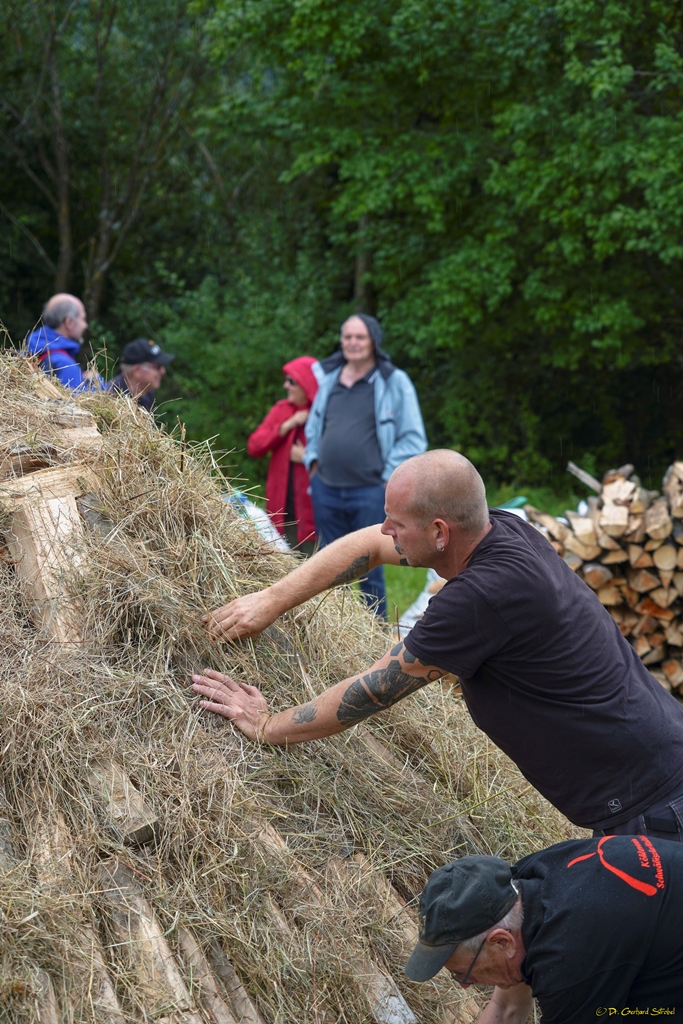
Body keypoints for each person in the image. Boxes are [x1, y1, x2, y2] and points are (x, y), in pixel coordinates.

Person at [191, 449, 683, 839]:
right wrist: (272, 600)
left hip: (650, 803)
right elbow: (370, 546)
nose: (385, 530)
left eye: (397, 523)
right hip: (654, 764)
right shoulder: (502, 529)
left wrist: (267, 725)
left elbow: (372, 691)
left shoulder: (481, 598)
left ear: (440, 532)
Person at [404, 838, 683, 1021]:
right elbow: (506, 1010)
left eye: (462, 973)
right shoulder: (525, 883)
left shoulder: (568, 962)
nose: (465, 985)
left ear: (501, 942)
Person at [304, 313, 426, 617]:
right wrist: (314, 465)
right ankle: (331, 636)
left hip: (371, 491)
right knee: (328, 568)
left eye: (360, 337)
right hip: (326, 489)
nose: (352, 343)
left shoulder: (392, 381)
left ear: (373, 341)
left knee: (370, 566)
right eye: (347, 337)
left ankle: (372, 640)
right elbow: (313, 427)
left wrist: (388, 479)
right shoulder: (329, 379)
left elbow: (413, 437)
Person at [247, 356, 319, 554]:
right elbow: (254, 446)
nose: (285, 385)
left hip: (316, 514)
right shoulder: (282, 410)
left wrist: (307, 457)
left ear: (307, 384)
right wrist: (286, 426)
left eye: (292, 381)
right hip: (284, 512)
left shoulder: (323, 413)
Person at [25, 293, 103, 389]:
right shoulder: (65, 366)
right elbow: (81, 402)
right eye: (83, 319)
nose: (85, 325)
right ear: (69, 322)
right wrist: (97, 383)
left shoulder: (26, 354)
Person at [109, 338, 175, 412]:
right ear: (137, 371)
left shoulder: (147, 392)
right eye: (157, 367)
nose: (163, 371)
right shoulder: (111, 400)